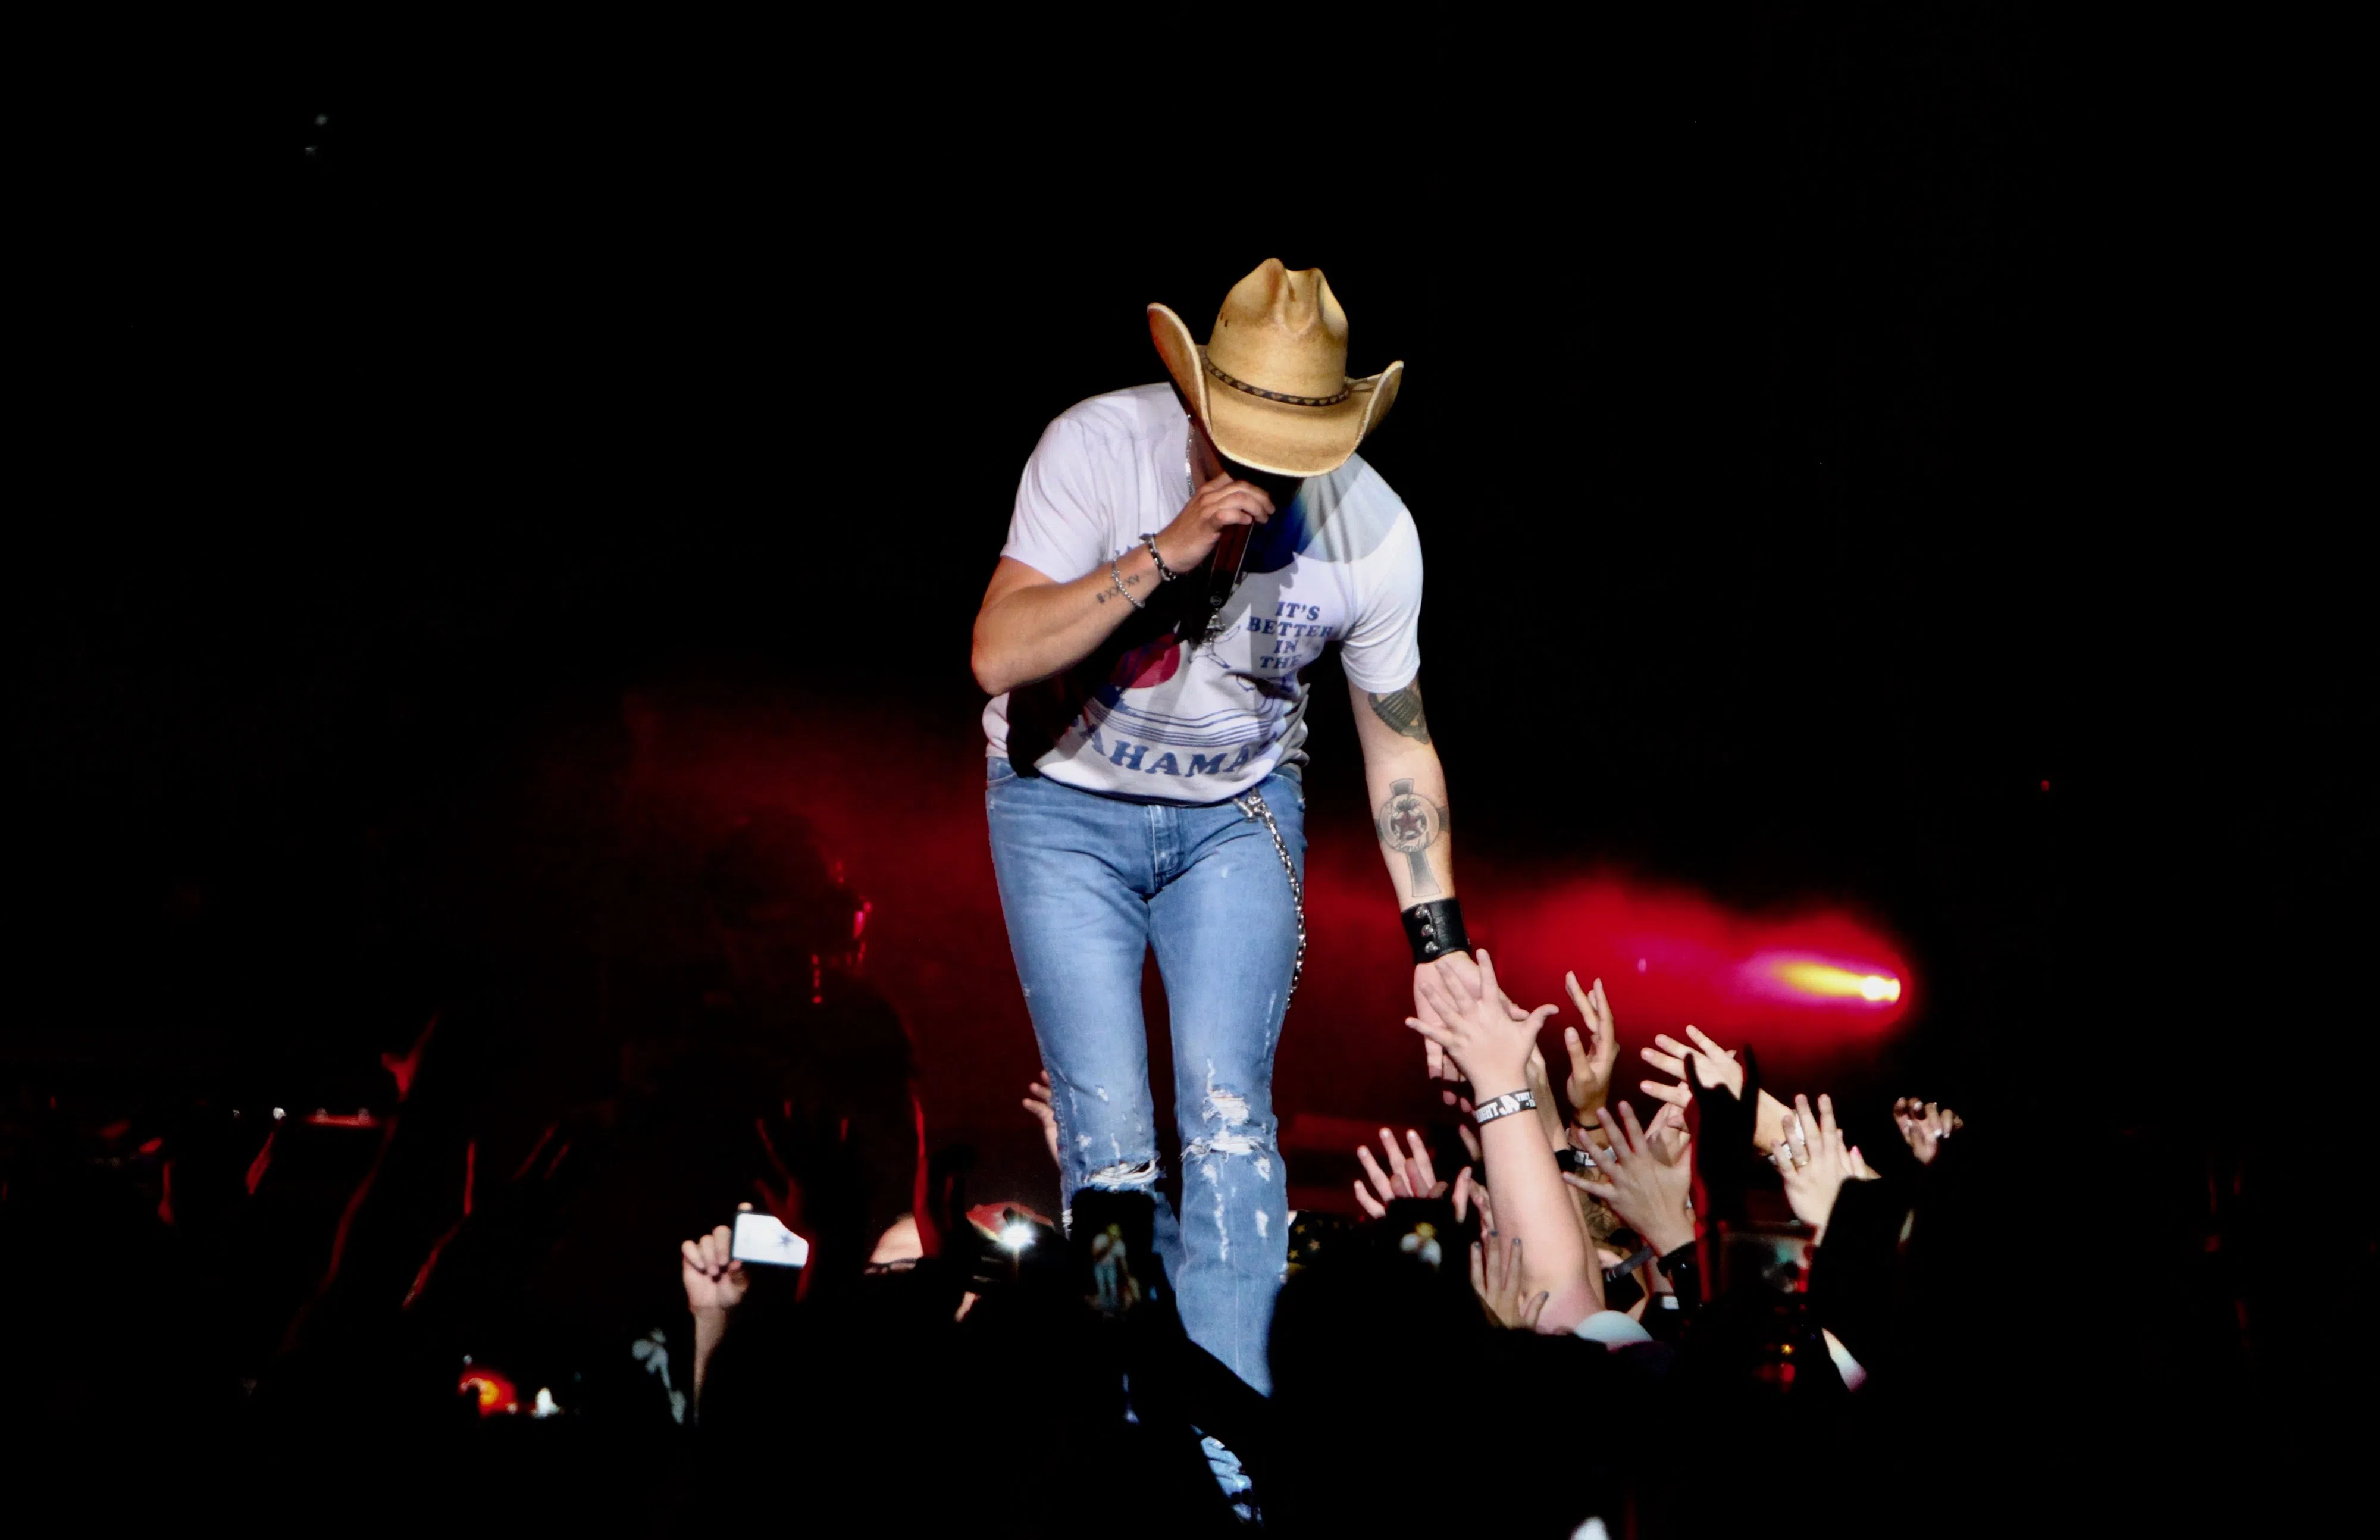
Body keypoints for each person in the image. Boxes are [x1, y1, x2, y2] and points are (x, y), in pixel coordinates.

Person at [971, 258, 1480, 1392]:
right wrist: (1170, 548)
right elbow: (997, 653)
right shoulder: (1097, 447)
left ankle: (1236, 1447)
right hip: (1062, 807)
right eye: (1238, 446)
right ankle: (1126, 1415)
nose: (1260, 477)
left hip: (1236, 817)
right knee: (1110, 1149)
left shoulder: (1373, 532)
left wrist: (1439, 945)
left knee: (1232, 1123)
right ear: (1195, 408)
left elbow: (1400, 742)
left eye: (1290, 459)